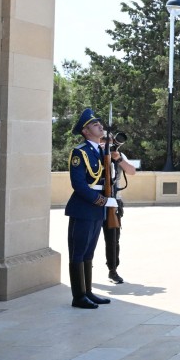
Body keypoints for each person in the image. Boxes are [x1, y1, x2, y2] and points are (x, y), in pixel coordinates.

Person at [64, 108, 120, 309]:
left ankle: (87, 292)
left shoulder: (102, 151)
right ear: (86, 131)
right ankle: (78, 296)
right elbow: (78, 184)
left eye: (99, 124)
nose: (100, 126)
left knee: (89, 252)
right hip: (83, 208)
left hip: (98, 209)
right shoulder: (80, 152)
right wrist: (102, 201)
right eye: (95, 125)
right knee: (78, 253)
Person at [102, 144, 137, 284]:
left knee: (113, 240)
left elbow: (132, 171)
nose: (107, 144)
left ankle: (113, 270)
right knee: (88, 239)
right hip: (94, 202)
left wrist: (118, 158)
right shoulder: (91, 153)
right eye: (104, 140)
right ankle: (86, 268)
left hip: (114, 202)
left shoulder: (118, 155)